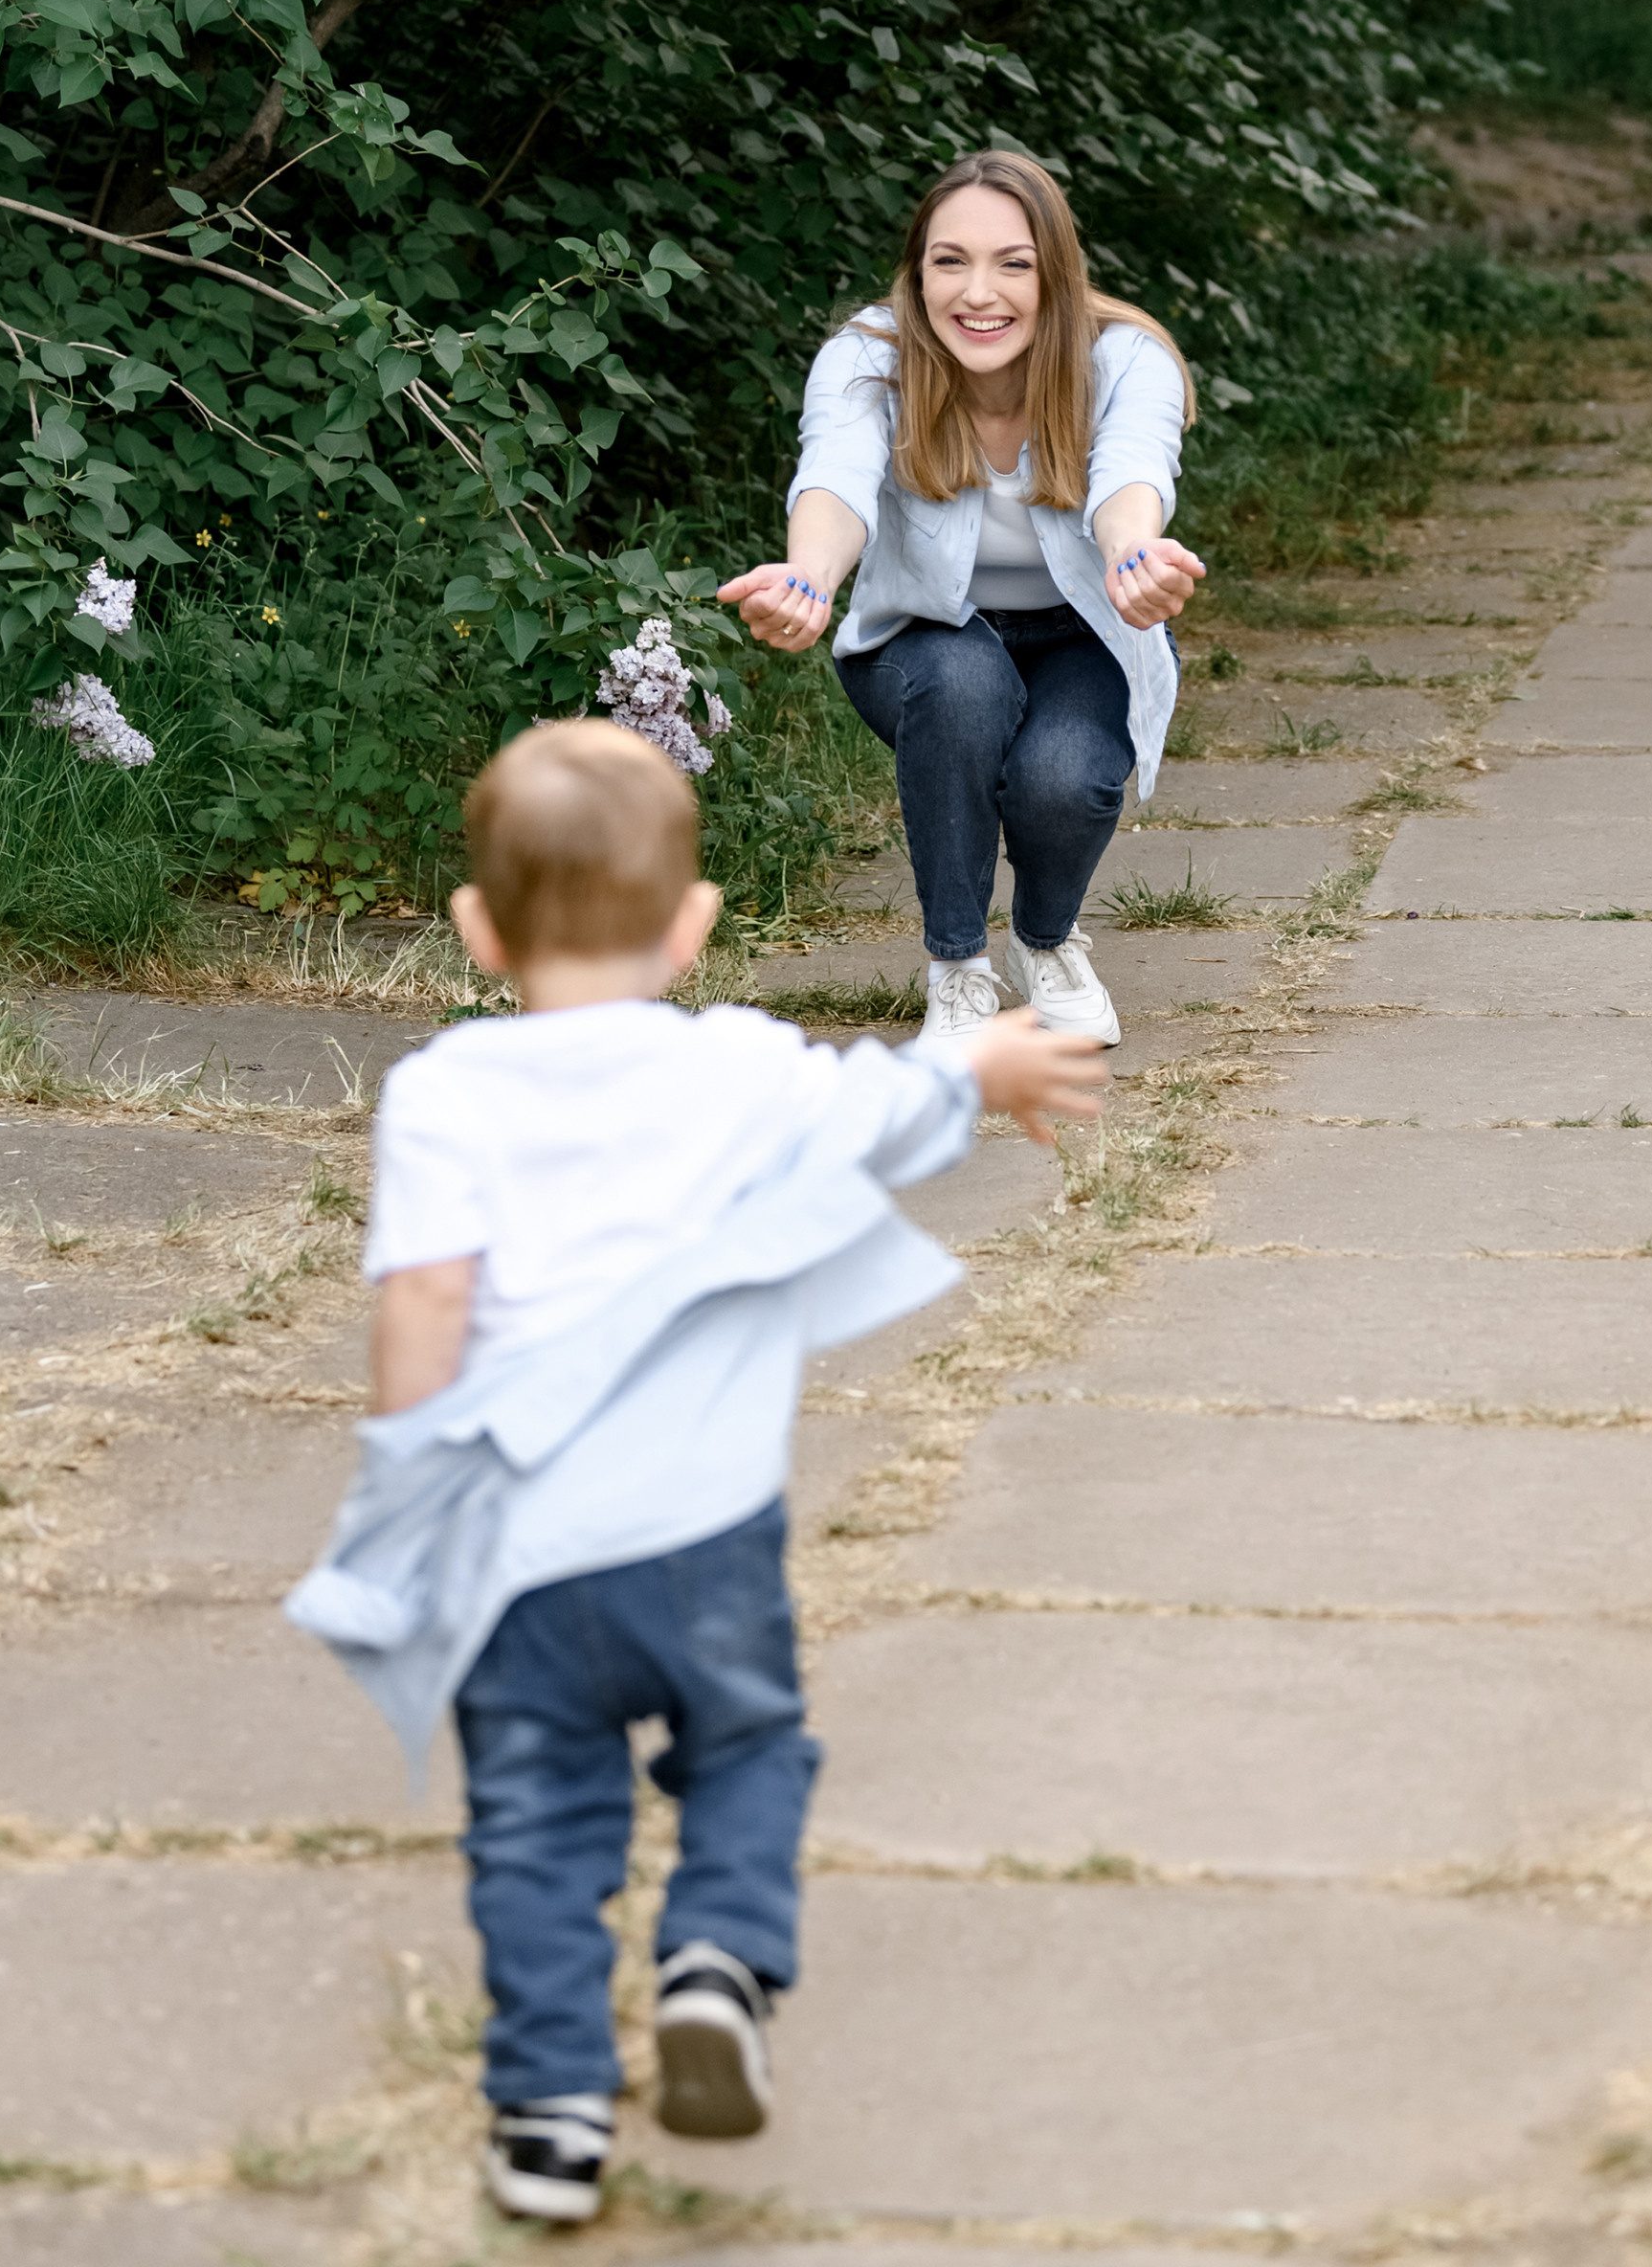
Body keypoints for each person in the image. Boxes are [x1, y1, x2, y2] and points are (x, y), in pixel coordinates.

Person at [286, 717, 1107, 2227]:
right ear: (693, 927)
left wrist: (410, 1476)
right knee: (745, 1755)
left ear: (477, 933)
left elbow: (425, 1305)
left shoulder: (445, 1093)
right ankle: (717, 1960)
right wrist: (983, 1062)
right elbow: (891, 1109)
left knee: (536, 1822)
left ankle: (546, 2113)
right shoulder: (738, 1068)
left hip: (518, 1559)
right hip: (705, 1543)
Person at [719, 147, 1204, 1052]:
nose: (978, 293)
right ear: (917, 272)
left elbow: (1132, 471)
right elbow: (835, 477)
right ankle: (957, 969)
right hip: (925, 636)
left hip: (1085, 634)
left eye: (1012, 263)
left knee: (1065, 778)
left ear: (1054, 273)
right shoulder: (869, 358)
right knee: (963, 685)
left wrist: (1136, 555)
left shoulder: (1125, 359)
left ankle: (1044, 942)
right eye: (951, 261)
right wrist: (808, 578)